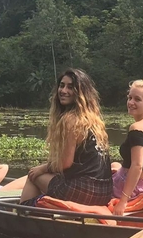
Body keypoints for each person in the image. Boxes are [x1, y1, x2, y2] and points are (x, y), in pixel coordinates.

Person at [19, 68, 113, 206]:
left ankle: (22, 213)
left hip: (84, 191)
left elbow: (65, 163)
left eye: (70, 87)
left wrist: (42, 168)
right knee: (55, 178)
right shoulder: (94, 120)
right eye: (61, 85)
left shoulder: (71, 119)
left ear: (81, 92)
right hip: (104, 192)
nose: (63, 91)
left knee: (33, 175)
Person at [109, 77, 143, 216]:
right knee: (114, 165)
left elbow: (137, 166)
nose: (131, 102)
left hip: (132, 190)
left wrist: (123, 201)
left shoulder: (137, 129)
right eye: (130, 98)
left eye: (137, 99)